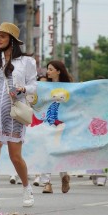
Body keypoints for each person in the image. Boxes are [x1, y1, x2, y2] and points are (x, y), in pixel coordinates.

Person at [0, 22, 37, 209]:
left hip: (14, 111)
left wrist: (24, 88)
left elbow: (34, 85)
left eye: (2, 36)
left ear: (12, 40)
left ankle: (27, 187)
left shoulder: (27, 62)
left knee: (15, 156)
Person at [38, 60, 74, 194]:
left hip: (63, 125)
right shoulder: (43, 87)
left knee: (58, 151)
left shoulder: (70, 88)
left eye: (51, 69)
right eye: (47, 69)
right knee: (46, 151)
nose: (48, 72)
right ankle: (46, 183)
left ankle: (64, 176)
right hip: (47, 124)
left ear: (59, 71)